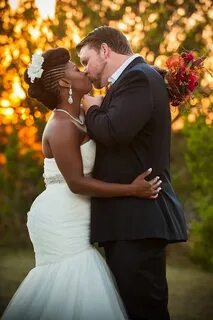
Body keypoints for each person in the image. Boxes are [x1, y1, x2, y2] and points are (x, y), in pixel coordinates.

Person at [2, 47, 162, 320]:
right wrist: (132, 189)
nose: (84, 71)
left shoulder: (83, 114)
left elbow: (128, 97)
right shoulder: (62, 125)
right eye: (76, 70)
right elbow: (76, 183)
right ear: (65, 84)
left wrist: (165, 80)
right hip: (61, 217)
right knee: (74, 284)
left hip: (78, 213)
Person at [76, 26, 188, 320]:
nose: (85, 71)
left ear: (105, 50)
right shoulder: (130, 80)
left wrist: (91, 109)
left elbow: (113, 132)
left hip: (137, 221)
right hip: (129, 222)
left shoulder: (138, 77)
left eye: (86, 61)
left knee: (144, 310)